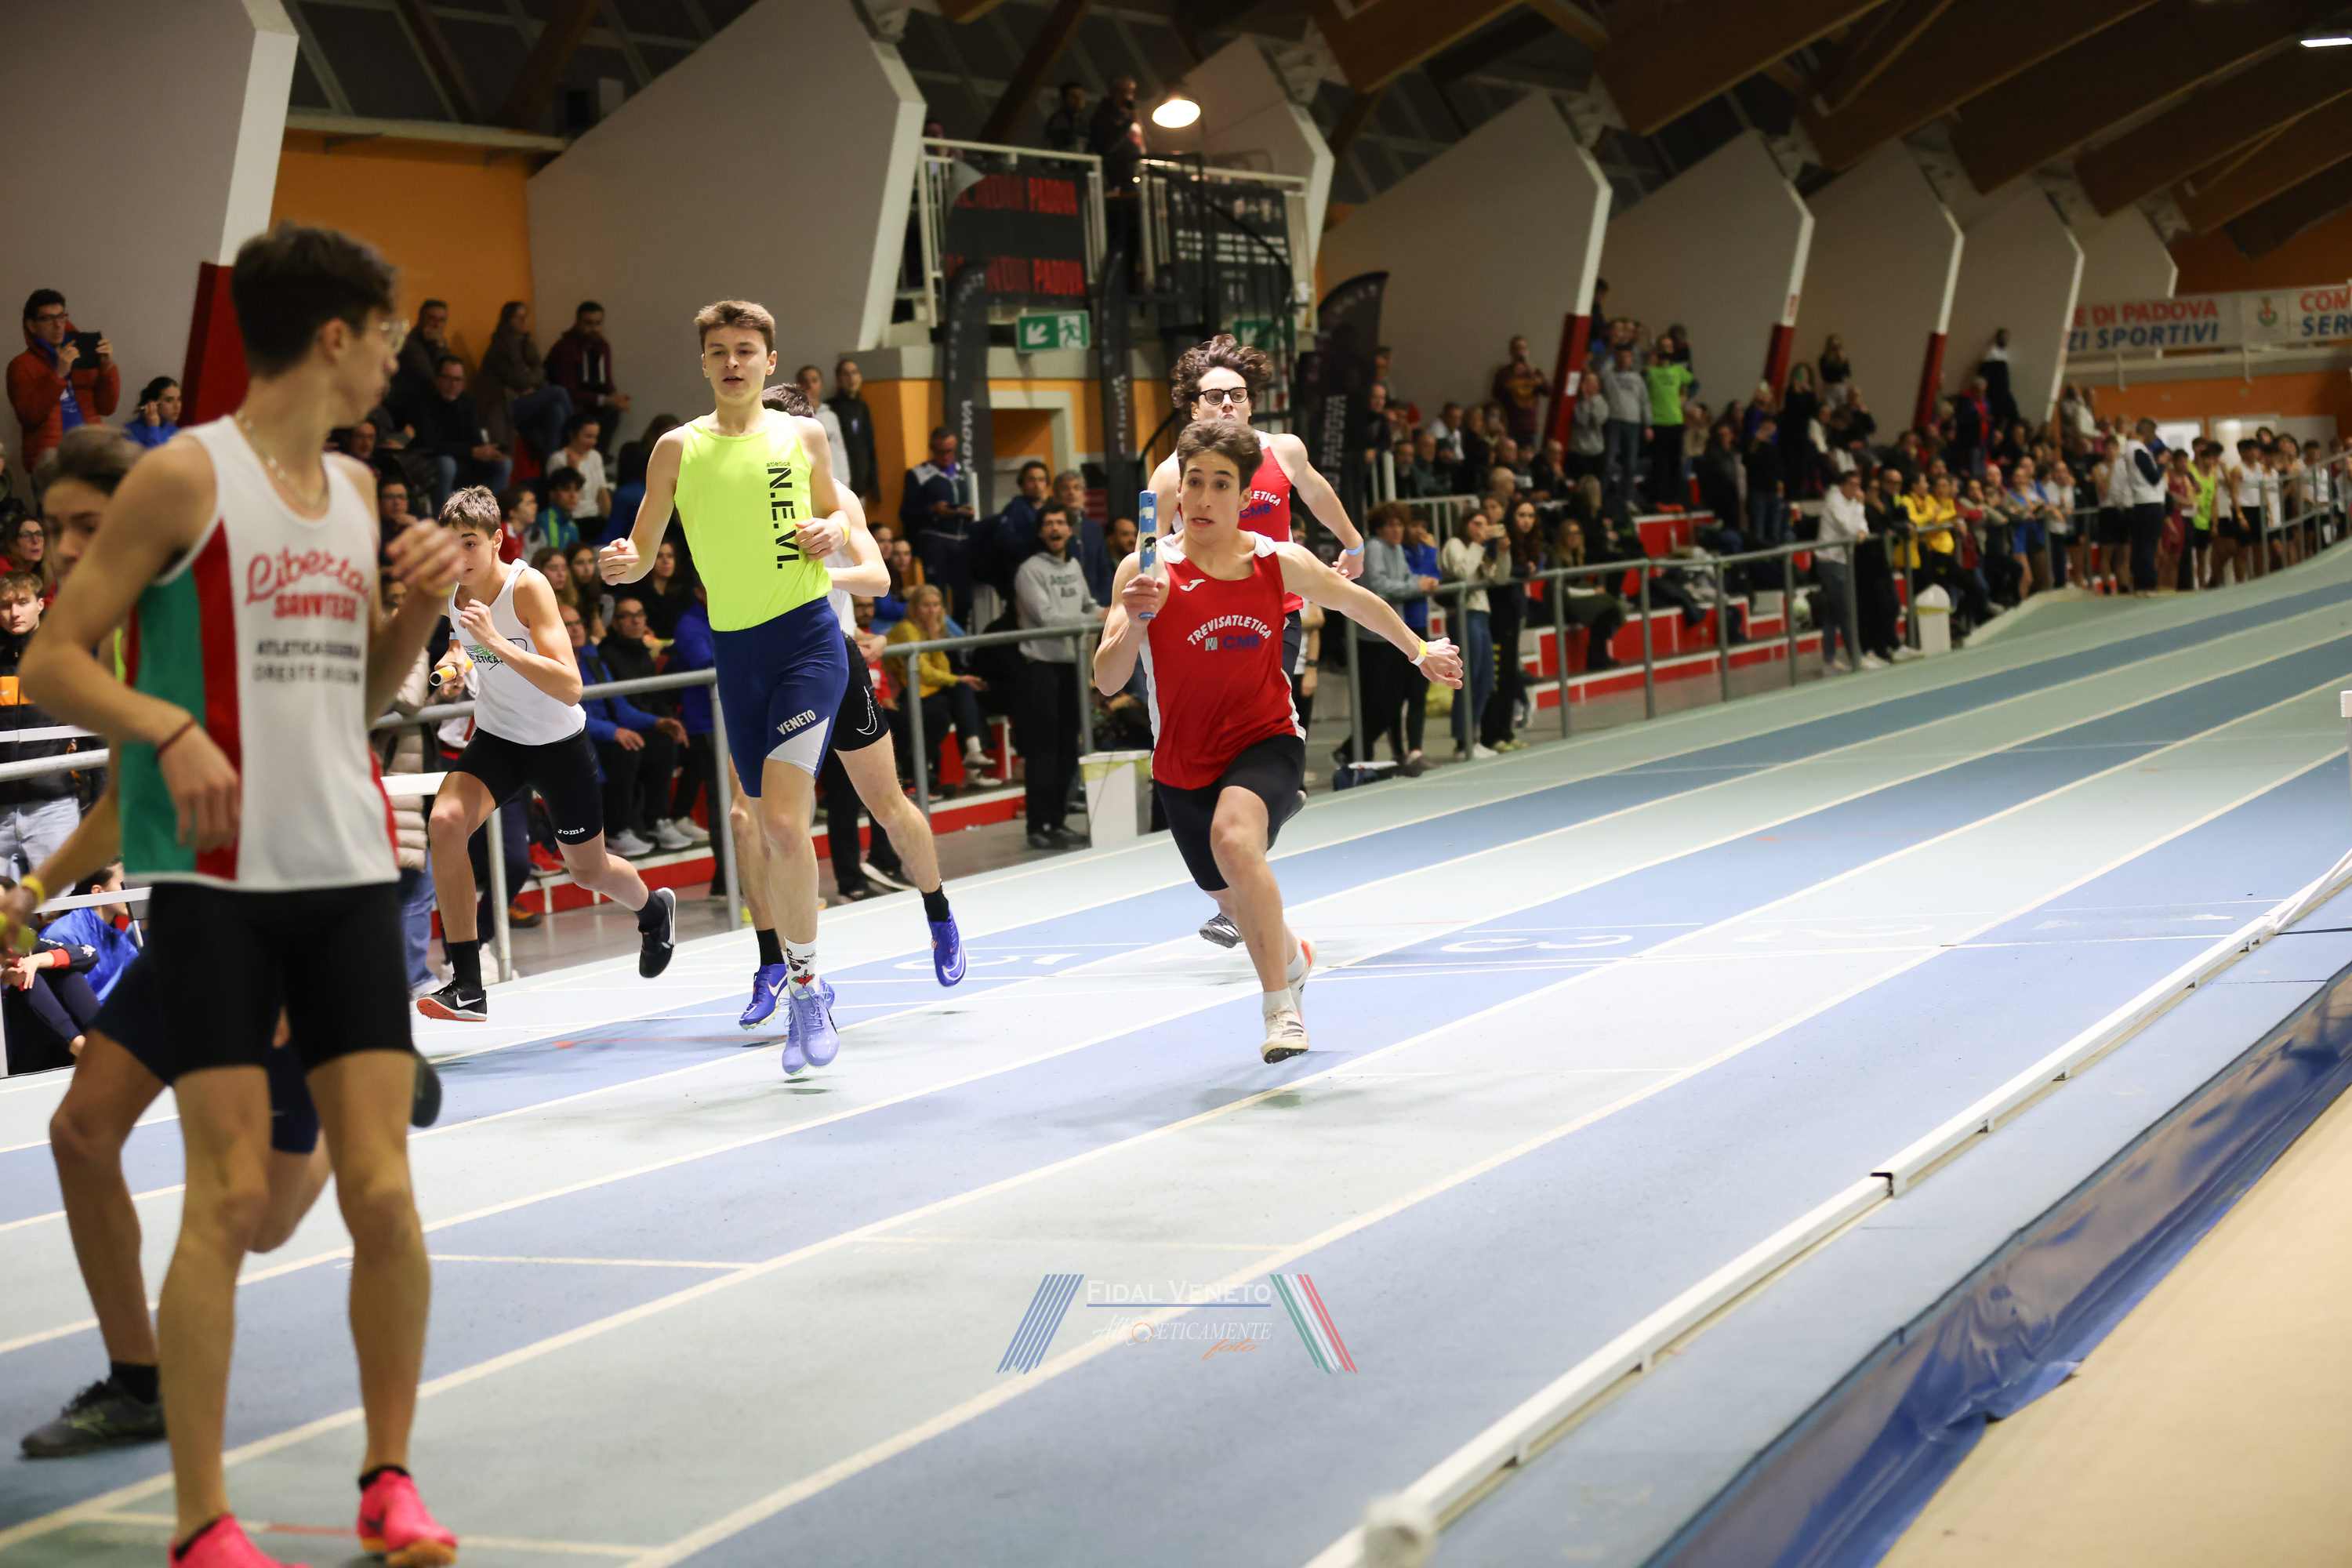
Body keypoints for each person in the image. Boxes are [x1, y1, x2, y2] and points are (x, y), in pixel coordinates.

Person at [19, 220, 467, 1568]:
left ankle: (390, 1480)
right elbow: (52, 660)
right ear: (335, 336)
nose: (394, 359)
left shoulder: (355, 488)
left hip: (348, 875)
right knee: (225, 1204)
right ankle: (203, 1519)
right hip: (216, 888)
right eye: (385, 335)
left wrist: (414, 612)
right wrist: (168, 727)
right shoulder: (181, 476)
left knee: (381, 1196)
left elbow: (359, 697)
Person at [1093, 419, 1461, 1062]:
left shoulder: (1276, 560)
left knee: (1234, 840)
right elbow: (1106, 679)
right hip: (1182, 760)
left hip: (1265, 737)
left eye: (1221, 485)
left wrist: (1420, 650)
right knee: (1232, 895)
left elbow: (1355, 601)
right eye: (1194, 483)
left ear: (1245, 497)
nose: (1204, 498)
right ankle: (1293, 959)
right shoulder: (1146, 568)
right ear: (1177, 493)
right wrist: (1136, 621)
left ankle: (1281, 1011)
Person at [600, 299, 888, 1071]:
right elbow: (644, 545)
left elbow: (838, 517)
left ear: (769, 361)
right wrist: (622, 563)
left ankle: (806, 990)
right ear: (703, 362)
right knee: (763, 828)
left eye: (746, 349)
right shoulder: (676, 448)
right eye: (720, 350)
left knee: (787, 826)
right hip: (738, 656)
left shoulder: (803, 435)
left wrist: (831, 531)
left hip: (808, 641)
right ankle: (799, 976)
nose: (733, 361)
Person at [417, 487, 677, 1020]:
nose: (459, 556)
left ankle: (654, 912)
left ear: (496, 540)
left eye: (469, 543)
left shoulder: (527, 587)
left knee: (588, 871)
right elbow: (461, 643)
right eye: (450, 544)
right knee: (444, 824)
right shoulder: (453, 591)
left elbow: (570, 685)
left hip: (558, 746)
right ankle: (467, 984)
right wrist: (454, 665)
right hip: (499, 740)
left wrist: (495, 641)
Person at [757, 381, 966, 980]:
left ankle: (939, 912)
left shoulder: (836, 497)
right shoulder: (743, 495)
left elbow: (878, 578)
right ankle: (780, 963)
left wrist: (822, 576)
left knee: (888, 803)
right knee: (765, 823)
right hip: (766, 665)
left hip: (832, 660)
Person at [1013, 506, 1102, 849]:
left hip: (1072, 667)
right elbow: (1048, 619)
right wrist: (1092, 619)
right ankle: (1038, 825)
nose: (1055, 528)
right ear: (1041, 531)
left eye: (1061, 523)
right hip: (1041, 670)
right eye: (1049, 523)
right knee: (1043, 750)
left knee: (1067, 747)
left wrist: (1107, 612)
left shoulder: (1074, 566)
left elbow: (1087, 605)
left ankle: (1058, 820)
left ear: (1069, 530)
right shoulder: (1030, 571)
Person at [0, 564, 89, 877]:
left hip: (53, 806)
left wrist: (98, 802)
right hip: (1, 809)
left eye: (22, 603)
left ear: (40, 604)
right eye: (5, 605)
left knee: (59, 901)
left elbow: (96, 735)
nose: (14, 613)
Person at [10, 291, 121, 473]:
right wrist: (58, 375)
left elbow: (107, 407)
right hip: (51, 464)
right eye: (48, 319)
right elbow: (29, 417)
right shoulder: (21, 365)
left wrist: (107, 368)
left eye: (61, 317)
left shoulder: (82, 354)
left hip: (91, 455)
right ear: (32, 325)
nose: (58, 325)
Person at [401, 352, 508, 512]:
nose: (453, 385)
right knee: (447, 464)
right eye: (447, 378)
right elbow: (431, 444)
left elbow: (475, 440)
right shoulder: (422, 401)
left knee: (503, 463)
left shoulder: (467, 401)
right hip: (431, 463)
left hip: (464, 461)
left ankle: (490, 517)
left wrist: (489, 451)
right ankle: (443, 520)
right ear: (436, 379)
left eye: (458, 380)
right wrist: (473, 451)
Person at [1441, 510, 1508, 761]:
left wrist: (1503, 552)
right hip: (1464, 615)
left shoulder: (1479, 550)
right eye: (1476, 524)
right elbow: (1464, 573)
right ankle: (1463, 742)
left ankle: (1473, 736)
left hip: (1481, 615)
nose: (1482, 529)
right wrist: (1479, 545)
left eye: (1485, 525)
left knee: (1485, 679)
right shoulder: (1455, 545)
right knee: (1469, 678)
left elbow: (1500, 577)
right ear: (1465, 525)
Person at [475, 300, 573, 463]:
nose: (524, 321)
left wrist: (532, 382)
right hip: (503, 408)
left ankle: (552, 465)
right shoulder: (500, 348)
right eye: (518, 317)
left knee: (556, 410)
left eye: (526, 316)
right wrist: (532, 380)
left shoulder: (527, 346)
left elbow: (540, 374)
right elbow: (520, 380)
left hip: (521, 402)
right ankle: (575, 439)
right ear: (507, 321)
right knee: (559, 392)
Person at [901, 425, 980, 619]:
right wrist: (933, 510)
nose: (945, 457)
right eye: (940, 452)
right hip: (935, 540)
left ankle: (960, 637)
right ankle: (937, 634)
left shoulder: (965, 474)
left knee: (964, 598)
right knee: (936, 597)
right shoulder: (919, 475)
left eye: (950, 451)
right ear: (931, 449)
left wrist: (970, 513)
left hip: (963, 540)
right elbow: (906, 513)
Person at [544, 301, 630, 456]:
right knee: (578, 414)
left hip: (592, 400)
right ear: (578, 322)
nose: (594, 329)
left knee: (613, 412)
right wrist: (605, 400)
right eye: (588, 323)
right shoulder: (565, 348)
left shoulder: (602, 346)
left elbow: (606, 381)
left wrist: (616, 397)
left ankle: (598, 457)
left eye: (598, 323)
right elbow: (568, 391)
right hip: (572, 403)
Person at [1643, 335, 1693, 506]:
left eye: (1669, 347)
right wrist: (1648, 367)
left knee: (1675, 462)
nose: (1666, 350)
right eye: (1663, 346)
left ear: (1673, 350)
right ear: (1658, 349)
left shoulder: (1678, 370)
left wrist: (1685, 396)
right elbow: (1641, 387)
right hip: (1657, 422)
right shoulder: (1651, 371)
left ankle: (1673, 499)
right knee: (1659, 463)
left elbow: (1693, 383)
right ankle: (1659, 499)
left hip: (1675, 421)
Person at [828, 358, 879, 503]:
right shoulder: (831, 408)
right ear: (838, 380)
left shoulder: (863, 407)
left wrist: (874, 485)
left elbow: (869, 446)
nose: (851, 378)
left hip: (861, 484)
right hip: (840, 482)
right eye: (846, 374)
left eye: (854, 373)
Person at [554, 411, 611, 519]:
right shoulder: (558, 459)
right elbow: (560, 499)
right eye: (588, 437)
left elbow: (602, 491)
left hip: (595, 516)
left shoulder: (595, 456)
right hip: (573, 518)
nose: (593, 442)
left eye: (595, 437)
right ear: (572, 434)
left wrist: (608, 519)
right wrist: (573, 471)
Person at [127, 377, 183, 450]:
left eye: (179, 399)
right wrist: (153, 427)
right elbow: (152, 456)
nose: (177, 406)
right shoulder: (130, 432)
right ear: (153, 403)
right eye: (169, 400)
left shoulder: (175, 431)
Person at [1044, 80, 1089, 153]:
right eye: (1074, 97)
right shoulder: (1058, 121)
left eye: (1081, 96)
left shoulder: (1083, 121)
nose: (1079, 100)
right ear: (1064, 99)